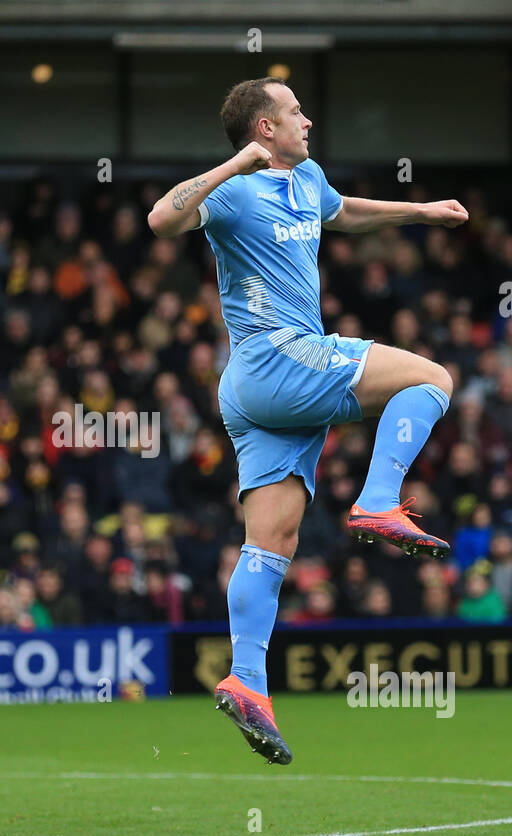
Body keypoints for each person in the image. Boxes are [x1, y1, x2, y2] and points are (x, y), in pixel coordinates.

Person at [147, 76, 466, 763]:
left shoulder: (307, 179)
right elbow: (161, 220)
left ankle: (248, 680)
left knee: (271, 542)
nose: (308, 120)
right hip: (278, 358)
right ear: (264, 127)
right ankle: (379, 500)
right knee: (432, 379)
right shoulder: (233, 191)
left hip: (257, 393)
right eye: (294, 112)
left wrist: (421, 212)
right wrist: (233, 165)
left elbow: (343, 211)